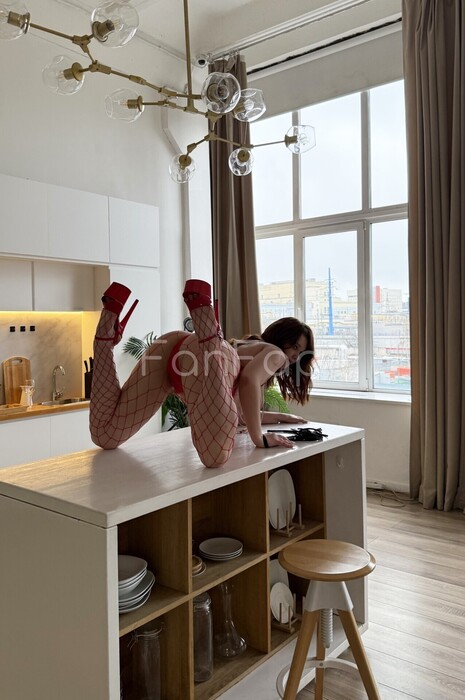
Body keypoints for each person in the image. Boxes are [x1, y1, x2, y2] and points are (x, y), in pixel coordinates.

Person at [90, 279, 315, 468]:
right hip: (210, 358)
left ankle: (104, 338)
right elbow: (249, 381)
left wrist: (282, 417)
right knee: (214, 457)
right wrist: (260, 439)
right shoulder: (276, 355)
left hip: (173, 345)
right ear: (281, 337)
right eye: (294, 346)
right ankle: (208, 333)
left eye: (300, 351)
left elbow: (240, 414)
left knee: (106, 435)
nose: (295, 356)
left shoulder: (250, 345)